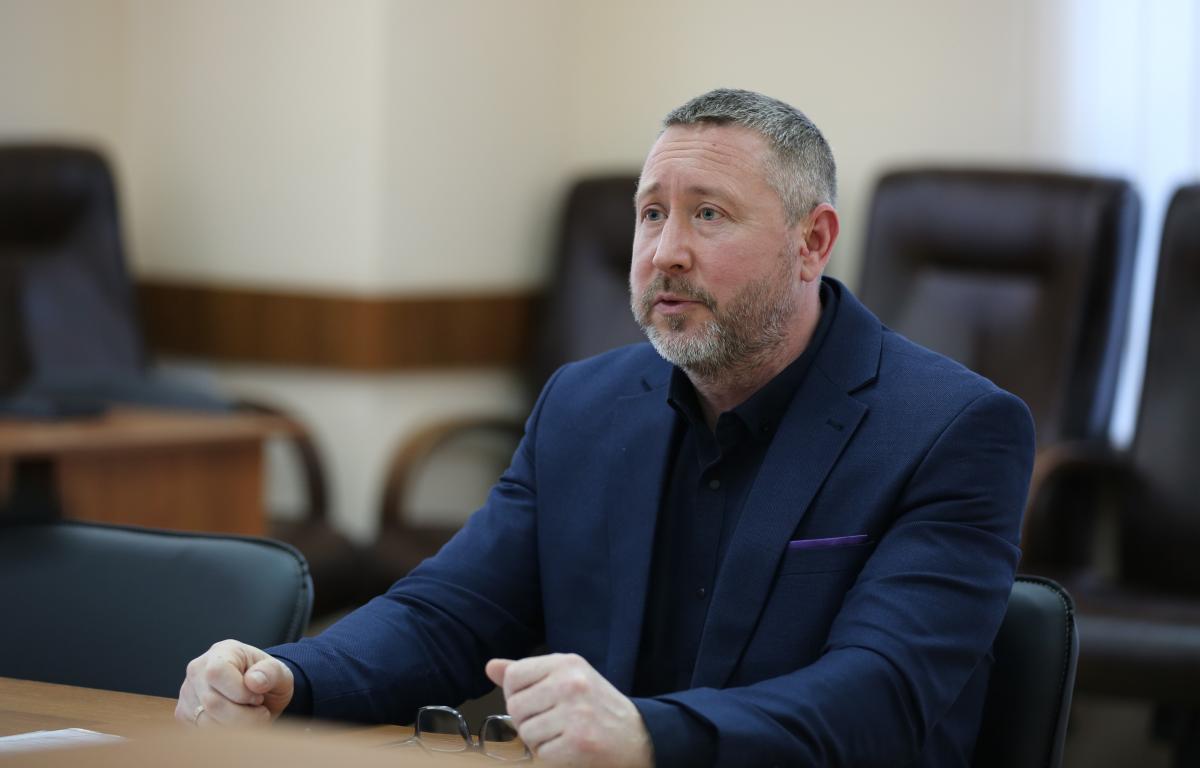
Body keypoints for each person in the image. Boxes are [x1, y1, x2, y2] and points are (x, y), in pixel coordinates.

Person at [176, 89, 1034, 767]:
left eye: (708, 214)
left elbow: (879, 698)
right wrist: (290, 676)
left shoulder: (953, 430)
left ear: (813, 242)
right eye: (651, 213)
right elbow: (448, 616)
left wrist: (650, 736)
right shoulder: (584, 406)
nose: (665, 252)